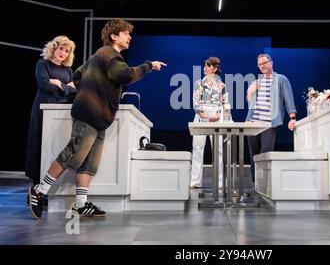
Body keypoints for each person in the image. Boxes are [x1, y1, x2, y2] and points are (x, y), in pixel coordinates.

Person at [28, 19, 167, 219]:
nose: (129, 37)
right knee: (73, 152)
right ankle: (39, 191)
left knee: (90, 162)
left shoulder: (100, 56)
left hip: (99, 116)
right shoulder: (109, 54)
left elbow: (77, 75)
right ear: (114, 36)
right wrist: (148, 66)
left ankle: (81, 205)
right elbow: (125, 75)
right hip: (90, 114)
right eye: (126, 33)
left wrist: (92, 90)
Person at [25, 36, 77, 186]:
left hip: (60, 111)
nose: (63, 53)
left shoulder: (68, 70)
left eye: (67, 51)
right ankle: (35, 188)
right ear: (54, 48)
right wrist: (66, 88)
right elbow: (44, 85)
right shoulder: (42, 64)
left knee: (54, 145)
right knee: (39, 143)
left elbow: (74, 91)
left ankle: (49, 188)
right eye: (61, 48)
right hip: (43, 107)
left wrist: (59, 83)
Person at [246, 53, 297, 187]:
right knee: (254, 154)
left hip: (269, 123)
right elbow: (250, 102)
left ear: (271, 63)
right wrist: (250, 92)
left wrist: (292, 117)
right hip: (253, 122)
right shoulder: (257, 82)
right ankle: (255, 182)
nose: (262, 66)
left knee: (265, 153)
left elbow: (288, 100)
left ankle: (264, 182)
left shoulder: (281, 79)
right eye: (259, 64)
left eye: (264, 63)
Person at [190, 57, 224, 189]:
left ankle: (220, 182)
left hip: (216, 117)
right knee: (197, 148)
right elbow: (196, 102)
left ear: (215, 68)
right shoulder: (198, 83)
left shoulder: (221, 84)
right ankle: (195, 182)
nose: (205, 67)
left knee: (219, 150)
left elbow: (223, 102)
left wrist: (218, 114)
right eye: (204, 65)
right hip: (201, 116)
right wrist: (203, 116)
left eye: (208, 65)